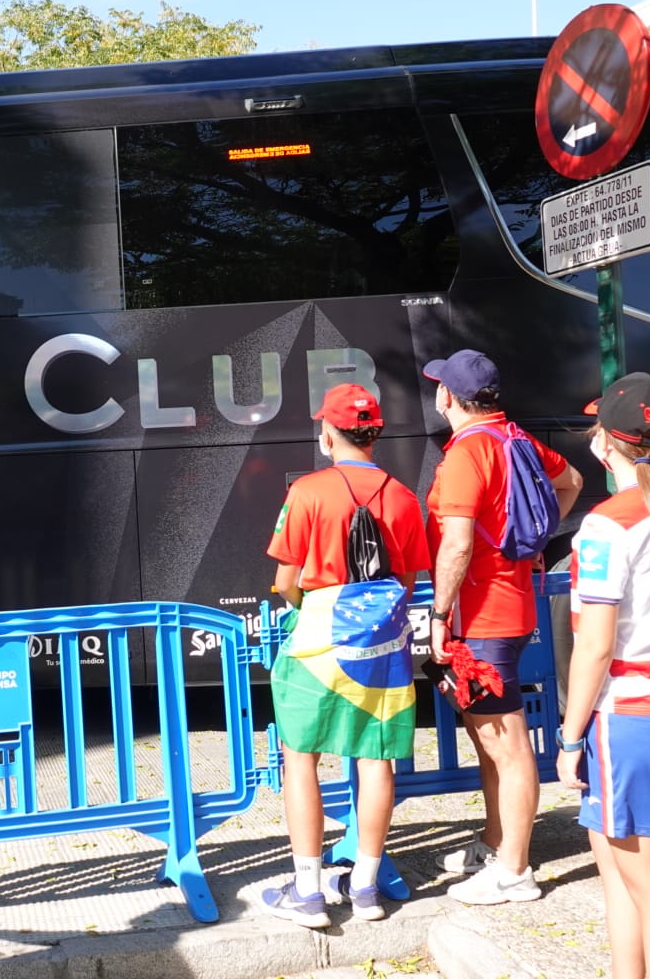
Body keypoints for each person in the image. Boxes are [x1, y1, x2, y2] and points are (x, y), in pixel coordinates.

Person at [555, 373, 650, 979]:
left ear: (604, 444)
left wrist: (569, 739)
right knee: (621, 872)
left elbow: (593, 644)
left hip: (631, 717)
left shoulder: (607, 524)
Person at [259, 383, 431, 928]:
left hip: (317, 639)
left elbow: (285, 579)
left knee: (301, 756)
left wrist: (303, 604)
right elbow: (405, 581)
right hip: (381, 645)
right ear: (374, 434)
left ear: (327, 432)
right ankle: (364, 888)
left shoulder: (308, 491)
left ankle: (307, 893)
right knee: (377, 757)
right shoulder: (403, 497)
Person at [422, 348, 582, 905]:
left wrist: (440, 616)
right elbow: (573, 481)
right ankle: (498, 845)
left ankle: (514, 872)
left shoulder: (467, 454)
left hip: (480, 616)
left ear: (448, 397)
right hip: (509, 605)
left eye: (438, 385)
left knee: (506, 744)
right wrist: (529, 538)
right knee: (491, 739)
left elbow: (458, 541)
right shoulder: (516, 439)